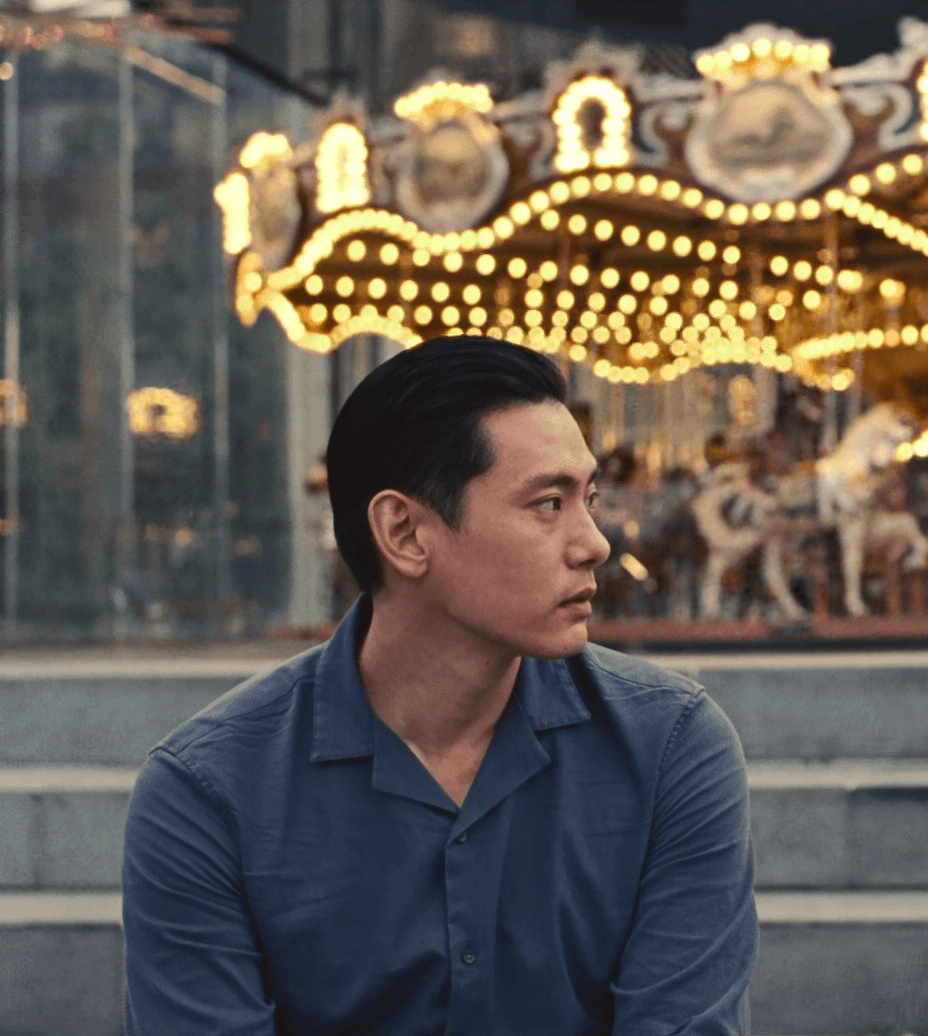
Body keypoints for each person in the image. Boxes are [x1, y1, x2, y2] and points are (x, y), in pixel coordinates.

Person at [122, 336, 756, 1036]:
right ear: (405, 533)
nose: (596, 544)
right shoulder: (209, 793)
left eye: (591, 499)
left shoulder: (669, 748)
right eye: (549, 504)